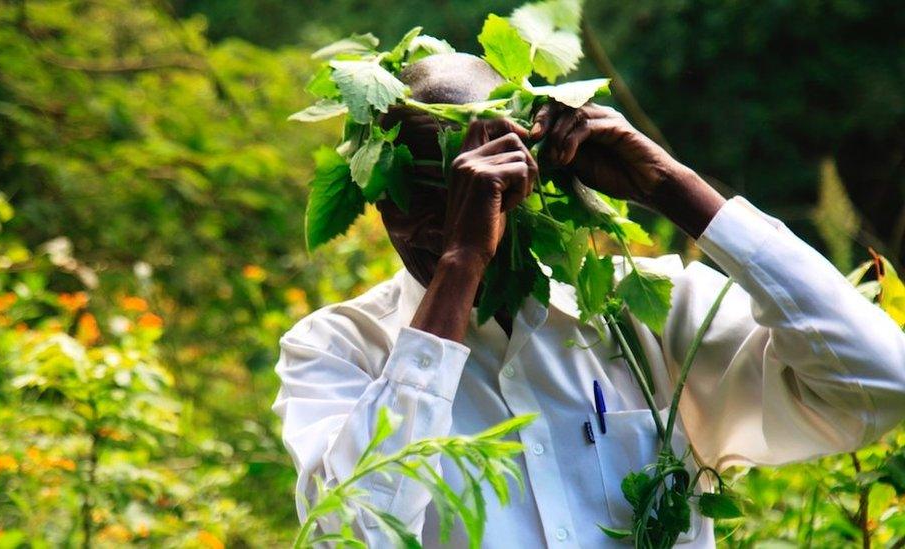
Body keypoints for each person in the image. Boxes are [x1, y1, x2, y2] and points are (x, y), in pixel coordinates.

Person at [272, 53, 905, 547]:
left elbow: (882, 382)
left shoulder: (652, 319)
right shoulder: (338, 350)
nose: (442, 219)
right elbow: (351, 534)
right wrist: (462, 262)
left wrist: (674, 189)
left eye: (469, 185)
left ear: (532, 177)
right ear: (376, 199)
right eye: (410, 191)